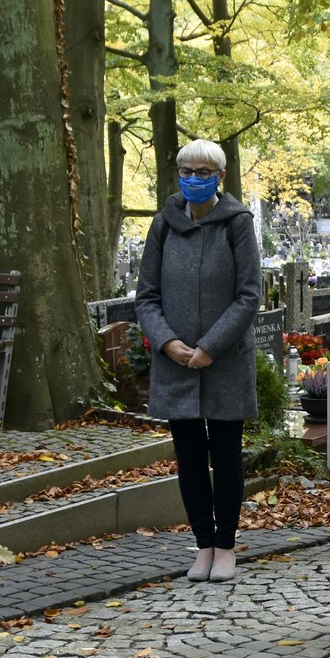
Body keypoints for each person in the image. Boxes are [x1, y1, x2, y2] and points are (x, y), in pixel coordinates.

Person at [136, 139, 261, 584]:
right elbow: (146, 295)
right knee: (189, 457)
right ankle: (203, 545)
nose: (193, 178)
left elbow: (250, 295)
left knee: (226, 455)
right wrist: (168, 343)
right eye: (186, 170)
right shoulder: (164, 225)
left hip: (224, 360)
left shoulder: (237, 223)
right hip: (175, 362)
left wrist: (210, 345)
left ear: (219, 177)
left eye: (202, 171)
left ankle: (225, 546)